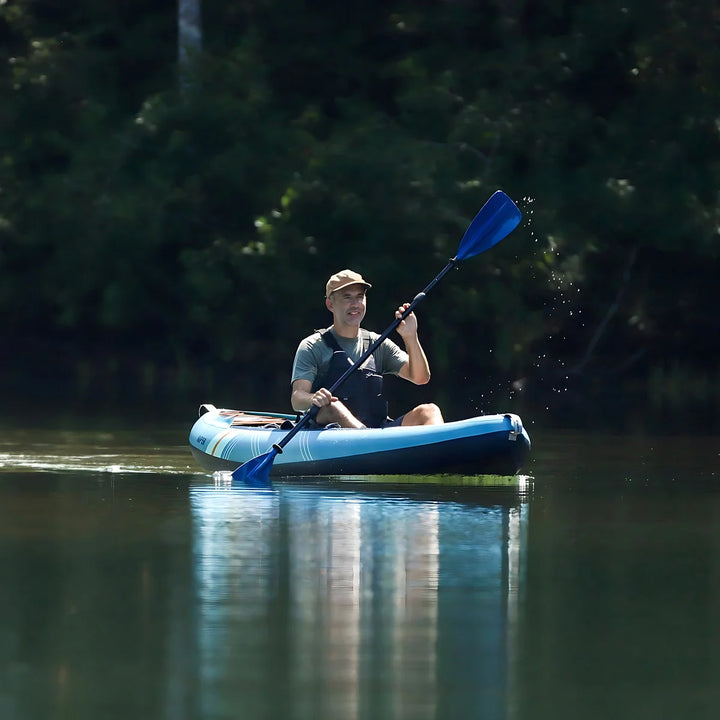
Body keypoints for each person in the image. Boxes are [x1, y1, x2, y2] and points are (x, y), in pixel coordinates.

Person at [291, 269, 444, 429]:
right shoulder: (312, 346)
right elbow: (297, 399)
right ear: (330, 304)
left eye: (360, 297)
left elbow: (420, 378)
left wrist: (410, 336)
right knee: (333, 407)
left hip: (376, 431)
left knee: (430, 411)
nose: (355, 304)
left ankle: (442, 451)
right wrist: (314, 398)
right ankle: (368, 440)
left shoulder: (378, 343)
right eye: (347, 297)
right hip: (331, 432)